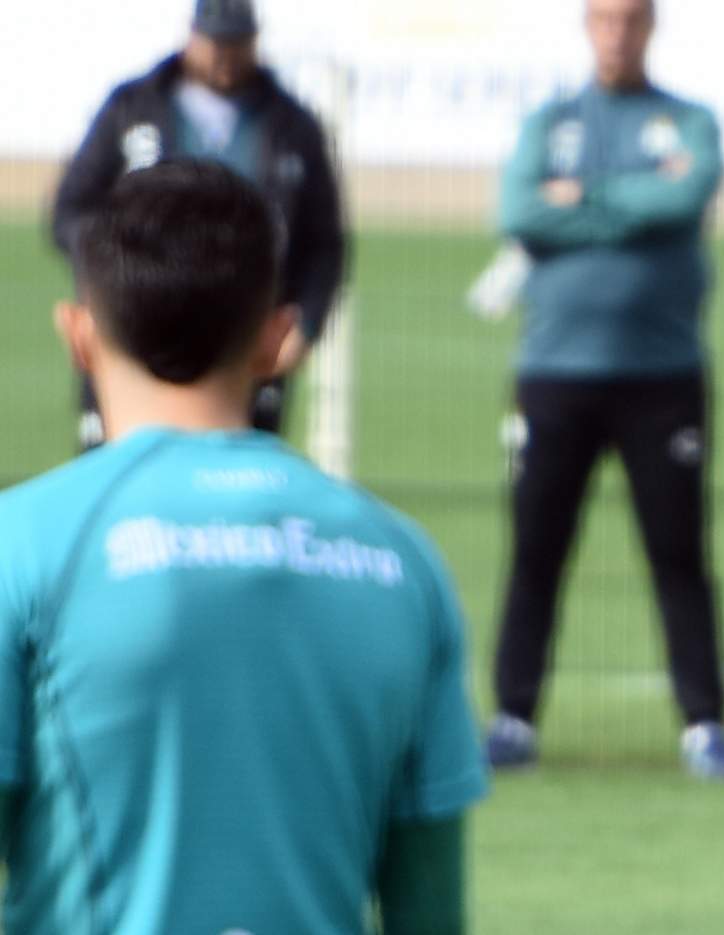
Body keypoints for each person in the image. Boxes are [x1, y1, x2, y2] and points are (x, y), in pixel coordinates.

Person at [0, 161, 485, 933]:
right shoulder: (403, 562)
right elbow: (429, 909)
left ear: (79, 337)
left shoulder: (24, 543)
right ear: (279, 339)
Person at [485, 0, 724, 779]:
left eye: (630, 19)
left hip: (662, 376)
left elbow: (686, 195)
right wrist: (632, 199)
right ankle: (512, 718)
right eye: (604, 19)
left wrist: (580, 198)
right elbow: (518, 209)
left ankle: (704, 725)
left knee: (678, 553)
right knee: (536, 550)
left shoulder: (688, 120)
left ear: (649, 27)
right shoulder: (551, 122)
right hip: (554, 372)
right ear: (587, 25)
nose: (617, 34)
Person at [51, 0, 346, 448]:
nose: (224, 55)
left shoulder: (291, 124)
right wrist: (120, 270)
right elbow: (72, 208)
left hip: (241, 326)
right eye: (215, 42)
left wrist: (306, 323)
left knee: (234, 462)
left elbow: (323, 240)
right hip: (139, 317)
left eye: (236, 42)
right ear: (192, 35)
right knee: (128, 459)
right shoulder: (134, 107)